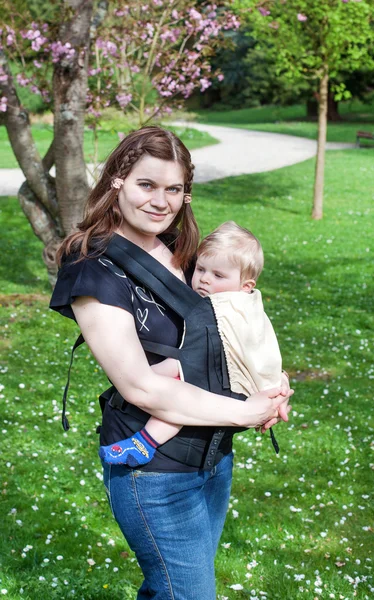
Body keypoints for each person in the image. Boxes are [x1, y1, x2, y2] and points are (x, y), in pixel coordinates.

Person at [50, 126, 293, 600]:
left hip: (213, 458)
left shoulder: (186, 255)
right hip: (155, 474)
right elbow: (141, 386)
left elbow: (226, 333)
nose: (161, 201)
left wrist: (269, 383)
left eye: (174, 189)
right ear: (118, 180)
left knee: (169, 590)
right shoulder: (93, 269)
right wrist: (246, 412)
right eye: (147, 185)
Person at [99, 220, 287, 467]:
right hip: (240, 390)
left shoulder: (230, 311)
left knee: (177, 388)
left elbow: (196, 357)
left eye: (218, 275)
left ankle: (145, 441)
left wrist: (143, 379)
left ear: (246, 286)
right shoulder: (241, 303)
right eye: (200, 269)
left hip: (231, 386)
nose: (204, 280)